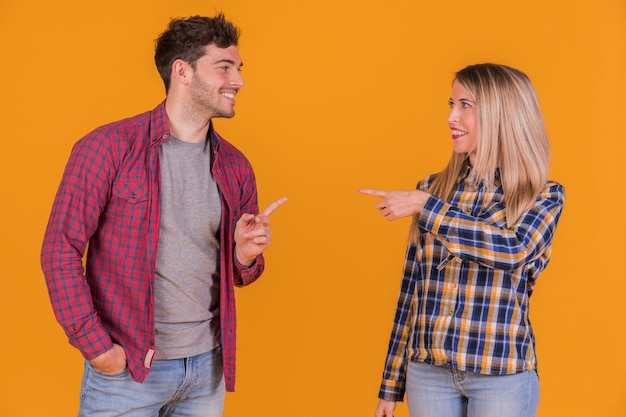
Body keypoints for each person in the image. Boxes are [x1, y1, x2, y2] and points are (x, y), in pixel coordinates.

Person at [41, 13, 286, 417]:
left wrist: (244, 255)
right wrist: (97, 348)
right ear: (182, 71)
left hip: (207, 370)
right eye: (224, 67)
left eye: (239, 68)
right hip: (129, 371)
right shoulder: (107, 148)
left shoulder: (236, 166)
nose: (239, 80)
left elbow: (240, 273)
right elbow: (59, 251)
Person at [359, 63, 565, 417]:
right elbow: (411, 291)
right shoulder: (432, 188)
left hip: (500, 376)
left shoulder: (542, 196)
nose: (451, 116)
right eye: (451, 104)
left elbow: (512, 250)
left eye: (465, 105)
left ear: (501, 113)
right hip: (428, 374)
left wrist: (429, 209)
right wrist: (390, 386)